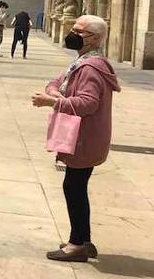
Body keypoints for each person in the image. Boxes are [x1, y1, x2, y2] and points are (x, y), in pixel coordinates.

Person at [32, 15, 120, 262]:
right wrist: (54, 92)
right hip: (83, 137)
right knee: (75, 186)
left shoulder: (91, 67)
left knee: (74, 187)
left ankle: (77, 244)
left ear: (93, 38)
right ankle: (83, 239)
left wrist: (53, 101)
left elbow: (88, 103)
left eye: (77, 30)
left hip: (85, 138)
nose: (71, 33)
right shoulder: (82, 62)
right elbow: (56, 82)